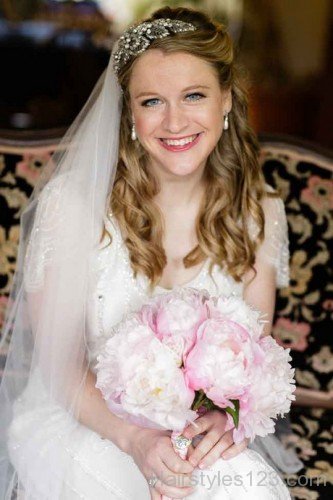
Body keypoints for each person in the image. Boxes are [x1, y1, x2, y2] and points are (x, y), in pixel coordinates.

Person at [0, 6, 303, 499]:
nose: (175, 121)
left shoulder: (259, 212)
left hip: (190, 437)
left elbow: (253, 357)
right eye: (152, 101)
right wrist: (136, 439)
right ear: (129, 113)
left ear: (225, 100)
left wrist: (222, 422)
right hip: (85, 420)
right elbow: (58, 366)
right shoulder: (73, 206)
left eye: (194, 96)